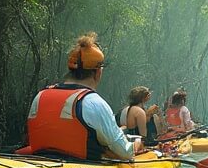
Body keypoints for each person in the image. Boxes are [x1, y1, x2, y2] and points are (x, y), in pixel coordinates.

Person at [20, 32, 142, 160]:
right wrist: (136, 145)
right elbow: (125, 153)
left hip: (39, 164)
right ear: (98, 72)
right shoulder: (94, 103)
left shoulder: (40, 96)